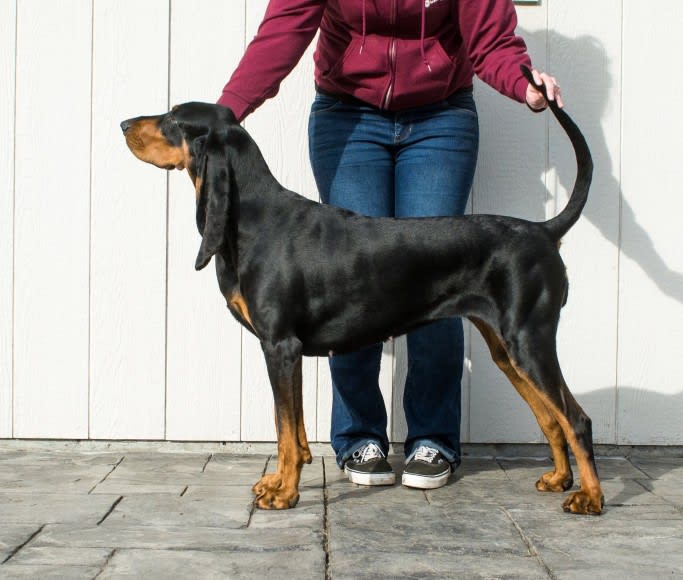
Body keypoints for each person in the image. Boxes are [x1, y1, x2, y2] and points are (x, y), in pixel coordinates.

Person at [218, 0, 563, 491]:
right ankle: (360, 436)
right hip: (347, 115)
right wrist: (222, 116)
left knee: (443, 280)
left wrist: (522, 83)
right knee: (345, 281)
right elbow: (284, 30)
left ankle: (433, 438)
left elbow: (490, 40)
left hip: (441, 118)